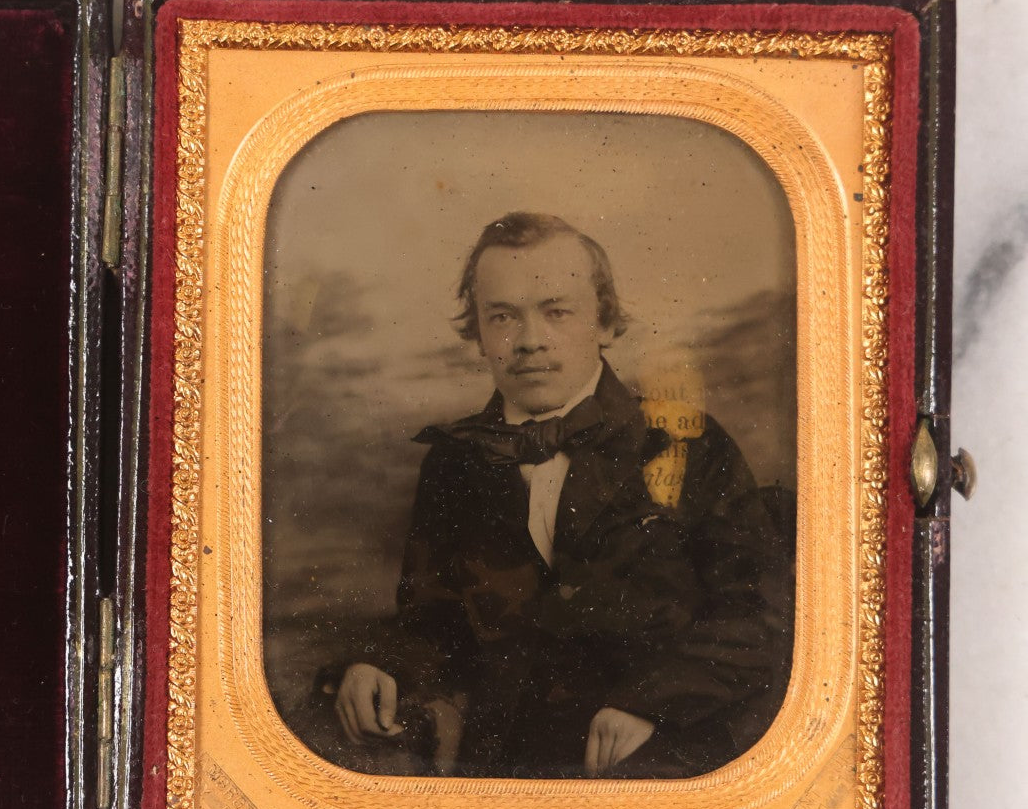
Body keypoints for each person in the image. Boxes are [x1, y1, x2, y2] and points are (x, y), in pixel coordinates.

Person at [332, 212, 790, 778]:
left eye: (556, 312)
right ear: (477, 334)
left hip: (669, 754)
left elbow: (759, 613)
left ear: (604, 322)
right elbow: (435, 617)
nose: (528, 341)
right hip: (508, 767)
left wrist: (650, 703)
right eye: (502, 317)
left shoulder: (686, 444)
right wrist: (383, 664)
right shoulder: (457, 462)